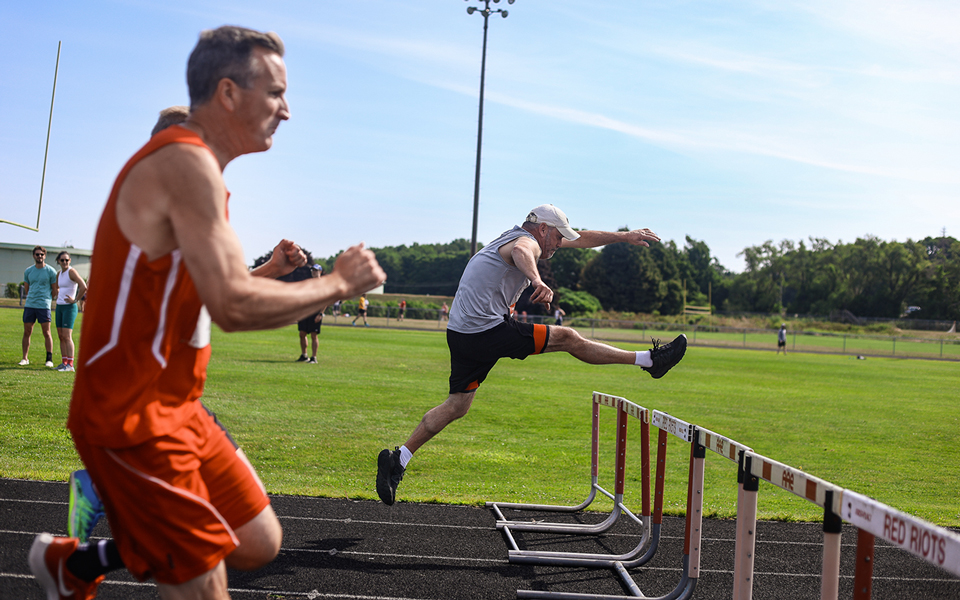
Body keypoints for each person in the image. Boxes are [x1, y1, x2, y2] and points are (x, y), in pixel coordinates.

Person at [29, 25, 385, 600]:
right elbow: (232, 304)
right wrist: (337, 283)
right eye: (275, 93)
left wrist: (274, 271)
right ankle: (131, 529)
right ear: (227, 94)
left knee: (258, 542)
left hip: (179, 407)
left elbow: (209, 295)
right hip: (132, 417)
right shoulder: (185, 164)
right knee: (204, 584)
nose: (286, 111)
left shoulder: (203, 178)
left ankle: (79, 562)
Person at [376, 205, 687, 506]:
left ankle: (398, 458)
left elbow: (581, 238)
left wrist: (623, 236)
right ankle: (650, 361)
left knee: (457, 405)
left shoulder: (520, 236)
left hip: (462, 333)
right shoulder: (525, 241)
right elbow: (525, 252)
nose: (559, 243)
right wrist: (538, 281)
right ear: (543, 229)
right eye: (556, 237)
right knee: (567, 337)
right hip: (486, 331)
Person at [20, 245, 59, 367]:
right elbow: (27, 288)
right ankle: (25, 358)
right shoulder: (28, 271)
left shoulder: (51, 271)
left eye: (42, 254)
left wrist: (46, 299)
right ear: (33, 256)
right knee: (27, 332)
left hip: (44, 306)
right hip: (30, 305)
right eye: (37, 254)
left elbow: (54, 290)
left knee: (46, 332)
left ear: (45, 256)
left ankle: (49, 359)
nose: (39, 256)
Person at [53, 251, 88, 372]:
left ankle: (70, 365)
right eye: (62, 260)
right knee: (61, 336)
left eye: (66, 260)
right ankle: (64, 362)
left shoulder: (71, 272)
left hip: (69, 307)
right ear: (58, 261)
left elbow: (83, 286)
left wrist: (75, 300)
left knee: (67, 336)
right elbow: (57, 287)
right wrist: (58, 294)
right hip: (60, 306)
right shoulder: (59, 274)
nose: (64, 262)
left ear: (70, 261)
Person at [296, 264, 324, 364]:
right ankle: (304, 355)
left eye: (316, 270)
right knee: (302, 333)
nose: (313, 272)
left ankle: (314, 357)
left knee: (313, 334)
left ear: (320, 272)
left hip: (315, 312)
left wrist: (320, 313)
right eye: (312, 270)